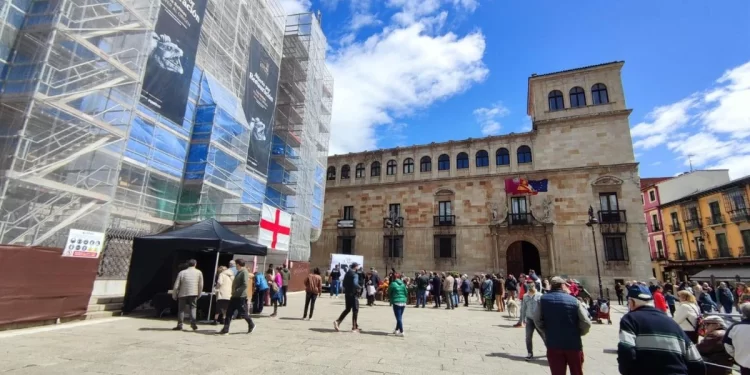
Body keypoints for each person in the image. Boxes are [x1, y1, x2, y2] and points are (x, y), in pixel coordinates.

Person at [617, 284, 705, 375]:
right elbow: (696, 360)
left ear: (631, 302)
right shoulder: (671, 322)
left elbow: (626, 350)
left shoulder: (630, 319)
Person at [533, 276, 591, 375]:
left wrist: (546, 331)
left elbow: (537, 320)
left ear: (551, 286)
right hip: (574, 344)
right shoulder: (574, 300)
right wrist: (578, 333)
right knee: (577, 372)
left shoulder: (542, 300)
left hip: (553, 343)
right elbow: (586, 322)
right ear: (563, 286)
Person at [219, 259, 256, 335]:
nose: (235, 266)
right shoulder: (239, 272)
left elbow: (245, 284)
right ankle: (226, 329)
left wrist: (237, 290)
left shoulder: (244, 272)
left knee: (243, 313)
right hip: (234, 296)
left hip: (240, 297)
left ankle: (251, 324)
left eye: (236, 264)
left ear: (238, 264)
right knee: (229, 313)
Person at [172, 259, 203, 331]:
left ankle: (180, 325)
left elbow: (176, 285)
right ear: (195, 264)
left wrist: (174, 294)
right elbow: (201, 285)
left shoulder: (182, 272)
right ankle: (193, 324)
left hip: (183, 293)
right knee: (193, 308)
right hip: (193, 292)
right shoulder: (199, 272)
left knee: (181, 310)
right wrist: (199, 293)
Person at [520, 279, 544, 360]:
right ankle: (530, 353)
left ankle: (550, 351)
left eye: (531, 285)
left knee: (544, 336)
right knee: (528, 337)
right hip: (529, 319)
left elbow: (543, 308)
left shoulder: (540, 295)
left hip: (538, 319)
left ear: (534, 286)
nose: (530, 287)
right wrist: (522, 319)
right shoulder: (525, 296)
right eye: (528, 286)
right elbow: (523, 308)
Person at [334, 262, 361, 333]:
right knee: (355, 310)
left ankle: (338, 321)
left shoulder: (347, 273)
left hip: (347, 294)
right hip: (353, 294)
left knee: (348, 309)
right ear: (355, 267)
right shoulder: (355, 274)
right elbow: (355, 283)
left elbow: (344, 284)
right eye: (358, 266)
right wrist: (360, 287)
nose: (358, 268)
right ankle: (354, 327)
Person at [724, 303, 750, 375]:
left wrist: (736, 355)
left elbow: (727, 344)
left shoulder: (734, 327)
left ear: (743, 314)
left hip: (743, 363)